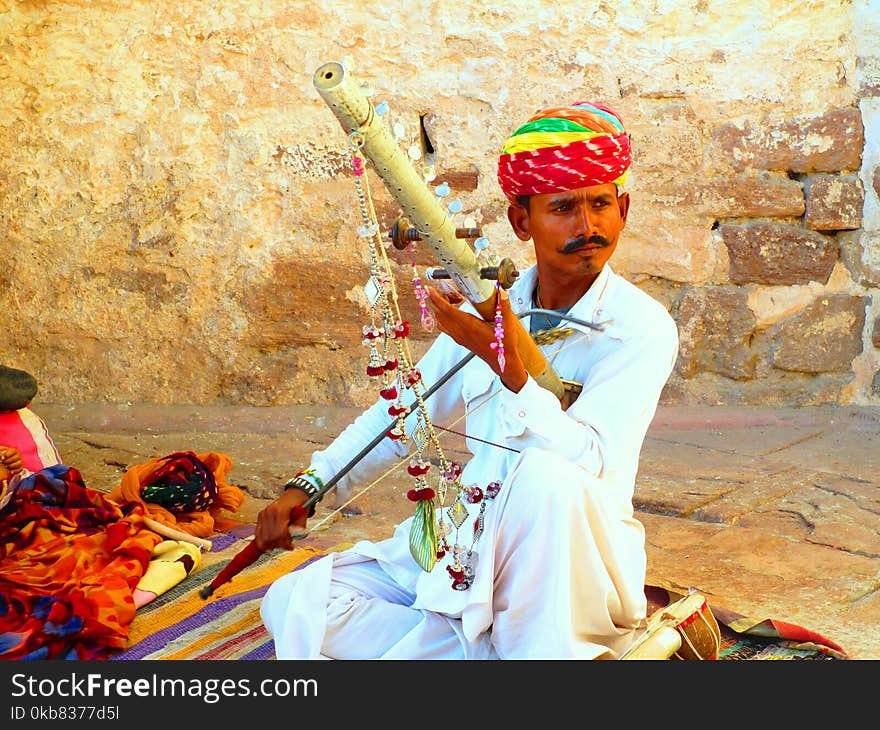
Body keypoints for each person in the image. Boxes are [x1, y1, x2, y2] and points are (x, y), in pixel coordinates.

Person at [257, 100, 680, 659]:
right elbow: (405, 410)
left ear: (623, 210)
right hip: (470, 548)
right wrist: (310, 485)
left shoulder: (639, 327)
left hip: (567, 570)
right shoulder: (496, 305)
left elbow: (591, 463)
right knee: (295, 601)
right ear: (520, 221)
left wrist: (507, 368)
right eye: (563, 208)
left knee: (545, 479)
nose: (587, 227)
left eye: (601, 204)